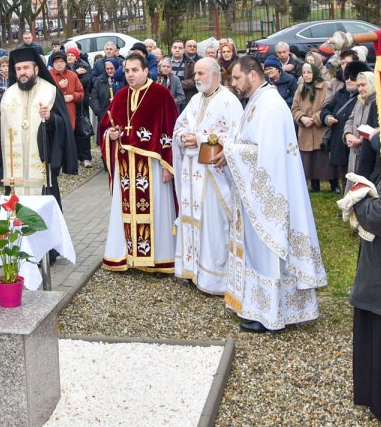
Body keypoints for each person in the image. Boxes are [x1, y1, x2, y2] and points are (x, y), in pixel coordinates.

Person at [223, 56, 327, 332]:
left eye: (236, 78)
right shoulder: (259, 101)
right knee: (261, 252)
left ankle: (270, 315)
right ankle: (265, 308)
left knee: (270, 251)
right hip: (262, 189)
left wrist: (229, 150)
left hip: (271, 191)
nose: (233, 84)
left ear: (252, 75)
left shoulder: (269, 106)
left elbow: (265, 156)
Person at [98, 53, 179, 273]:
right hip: (126, 167)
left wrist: (168, 165)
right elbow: (105, 127)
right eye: (127, 71)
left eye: (135, 70)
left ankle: (159, 259)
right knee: (125, 212)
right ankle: (128, 257)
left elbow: (171, 131)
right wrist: (111, 136)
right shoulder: (121, 95)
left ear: (146, 70)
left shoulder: (161, 95)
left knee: (157, 212)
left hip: (152, 167)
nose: (131, 75)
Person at [338, 130, 381, 425]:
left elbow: (379, 216)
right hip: (378, 268)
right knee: (373, 327)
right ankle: (375, 395)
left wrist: (357, 200)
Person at [171, 57, 243, 295]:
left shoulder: (229, 101)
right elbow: (179, 127)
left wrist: (200, 138)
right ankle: (194, 269)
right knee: (194, 221)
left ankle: (216, 278)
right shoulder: (195, 100)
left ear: (214, 74)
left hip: (214, 175)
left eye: (201, 73)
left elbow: (236, 139)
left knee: (214, 225)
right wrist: (183, 137)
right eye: (196, 74)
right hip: (192, 173)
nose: (197, 78)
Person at [0, 48, 75, 203]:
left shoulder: (50, 91)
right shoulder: (8, 95)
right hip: (14, 174)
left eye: (26, 68)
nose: (22, 72)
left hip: (43, 174)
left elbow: (64, 125)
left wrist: (50, 118)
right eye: (18, 69)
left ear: (36, 69)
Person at [323, 60, 368, 194]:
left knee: (358, 175)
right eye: (346, 77)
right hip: (340, 139)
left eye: (352, 78)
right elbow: (327, 108)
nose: (348, 80)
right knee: (344, 174)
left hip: (357, 142)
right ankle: (345, 203)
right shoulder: (340, 94)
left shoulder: (365, 97)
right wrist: (326, 117)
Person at [292, 62, 333, 193]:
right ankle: (314, 185)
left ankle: (334, 184)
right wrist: (302, 118)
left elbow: (329, 105)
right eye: (304, 73)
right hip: (305, 129)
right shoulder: (300, 89)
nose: (306, 75)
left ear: (314, 72)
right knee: (309, 159)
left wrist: (315, 118)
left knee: (324, 159)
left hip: (320, 128)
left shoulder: (325, 86)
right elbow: (294, 108)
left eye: (309, 72)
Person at [342, 70, 378, 178]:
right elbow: (351, 119)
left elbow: (377, 129)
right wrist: (348, 134)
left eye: (363, 85)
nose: (360, 89)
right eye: (358, 86)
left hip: (368, 153)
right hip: (354, 151)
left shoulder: (377, 102)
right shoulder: (359, 100)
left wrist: (361, 141)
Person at [89, 58, 120, 150]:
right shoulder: (99, 81)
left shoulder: (121, 81)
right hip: (104, 114)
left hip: (119, 114)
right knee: (105, 141)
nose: (110, 71)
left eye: (112, 68)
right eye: (107, 69)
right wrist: (99, 111)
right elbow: (94, 97)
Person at [170, 40, 198, 105]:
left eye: (180, 48)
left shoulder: (191, 63)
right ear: (171, 49)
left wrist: (179, 84)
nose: (177, 50)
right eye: (175, 48)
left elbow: (194, 80)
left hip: (185, 97)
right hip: (168, 95)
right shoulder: (165, 62)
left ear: (184, 50)